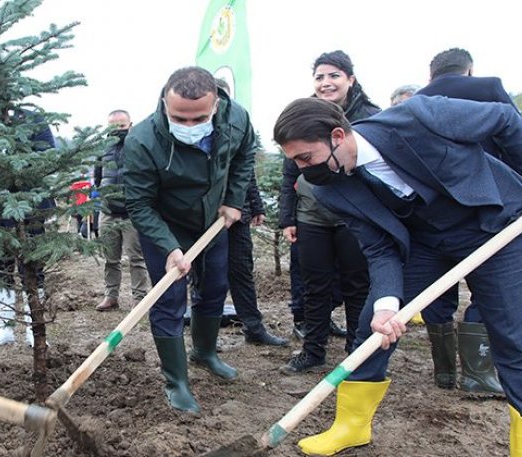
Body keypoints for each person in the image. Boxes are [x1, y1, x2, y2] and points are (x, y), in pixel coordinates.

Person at [273, 96, 522, 456]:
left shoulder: (418, 117)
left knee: (512, 338)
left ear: (338, 135)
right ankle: (351, 426)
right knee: (373, 324)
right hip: (426, 244)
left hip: (498, 226)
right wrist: (387, 305)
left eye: (306, 158)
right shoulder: (329, 187)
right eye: (295, 162)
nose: (304, 169)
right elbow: (380, 247)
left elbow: (504, 119)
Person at [124, 66, 255, 413]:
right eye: (178, 118)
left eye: (198, 118)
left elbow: (245, 156)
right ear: (165, 102)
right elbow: (138, 202)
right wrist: (169, 247)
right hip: (164, 226)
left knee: (214, 287)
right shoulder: (142, 140)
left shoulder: (237, 119)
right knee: (169, 301)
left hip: (212, 220)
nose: (188, 126)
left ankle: (205, 352)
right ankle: (176, 382)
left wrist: (234, 200)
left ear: (215, 106)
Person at [414, 47, 519, 396]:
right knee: (487, 291)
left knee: (437, 290)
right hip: (486, 212)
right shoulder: (488, 89)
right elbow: (515, 139)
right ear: (469, 70)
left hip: (433, 218)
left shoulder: (416, 103)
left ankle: (444, 372)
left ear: (432, 74)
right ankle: (477, 375)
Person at [278, 50, 374, 374]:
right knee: (315, 284)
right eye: (319, 76)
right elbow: (290, 171)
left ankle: (356, 350)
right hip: (312, 216)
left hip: (354, 216)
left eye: (334, 75)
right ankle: (313, 350)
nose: (326, 82)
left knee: (356, 283)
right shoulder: (301, 117)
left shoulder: (369, 115)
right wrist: (287, 218)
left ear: (350, 79)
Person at [206, 78, 286, 347]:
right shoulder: (198, 129)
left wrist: (256, 206)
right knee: (207, 276)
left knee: (242, 270)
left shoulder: (238, 127)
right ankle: (205, 335)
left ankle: (253, 327)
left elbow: (245, 172)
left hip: (237, 214)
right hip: (206, 215)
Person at [0, 109, 56, 349]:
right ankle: (5, 329)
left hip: (30, 209)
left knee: (32, 269)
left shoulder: (34, 120)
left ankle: (35, 329)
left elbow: (48, 157)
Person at [93, 109, 151, 311]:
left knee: (136, 258)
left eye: (122, 125)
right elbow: (98, 177)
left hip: (132, 213)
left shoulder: (139, 146)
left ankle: (139, 298)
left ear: (130, 124)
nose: (117, 130)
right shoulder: (103, 149)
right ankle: (111, 296)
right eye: (113, 126)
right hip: (108, 211)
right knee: (110, 258)